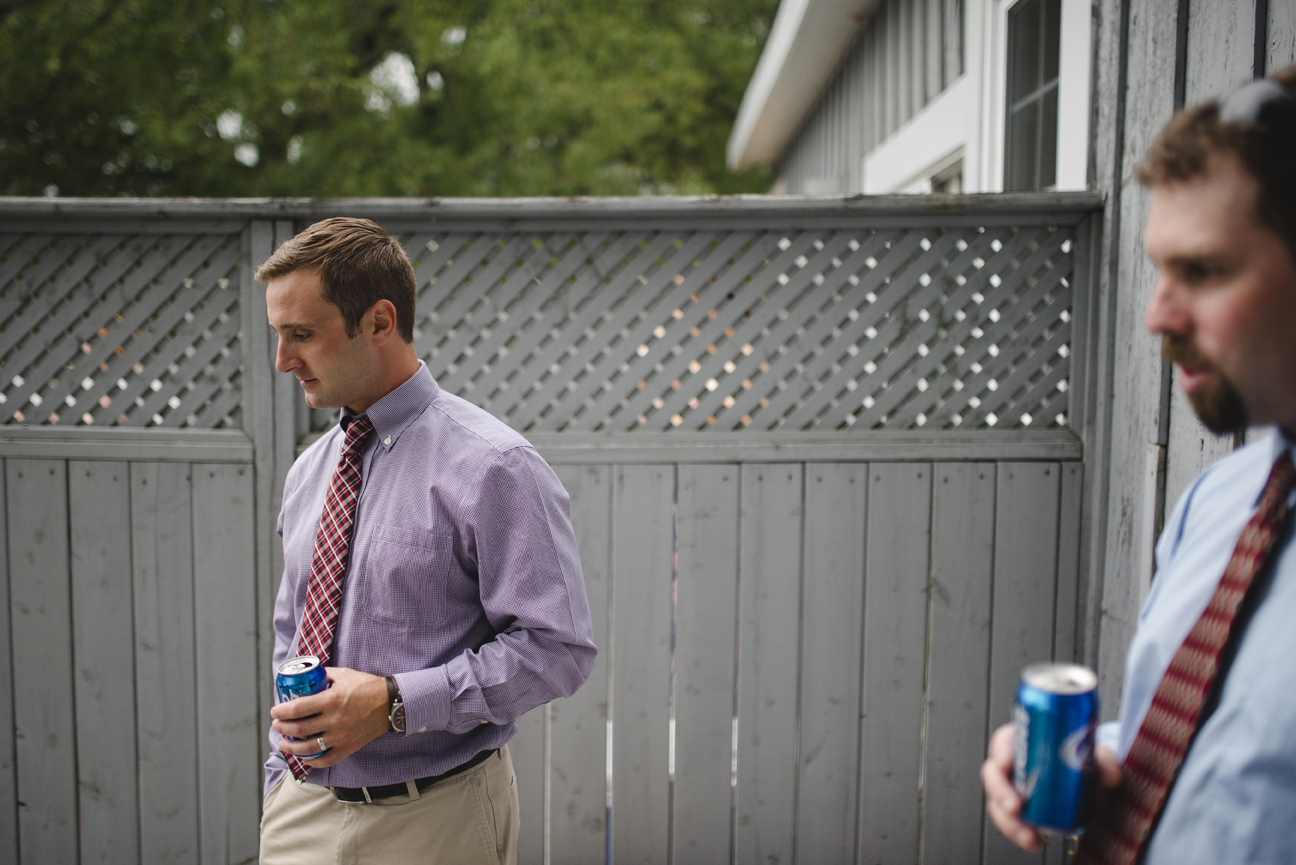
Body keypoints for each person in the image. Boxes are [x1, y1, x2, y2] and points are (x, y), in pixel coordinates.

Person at [983, 66, 1296, 863]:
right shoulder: (1222, 502)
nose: (1157, 314)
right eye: (1161, 268)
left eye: (1204, 270)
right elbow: (1221, 748)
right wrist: (1105, 764)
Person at [255, 217, 597, 865]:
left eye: (301, 334)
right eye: (279, 335)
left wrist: (393, 705)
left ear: (380, 322)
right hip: (301, 814)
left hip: (436, 820)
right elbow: (291, 633)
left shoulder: (495, 465)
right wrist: (280, 778)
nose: (282, 360)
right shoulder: (308, 471)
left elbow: (559, 650)